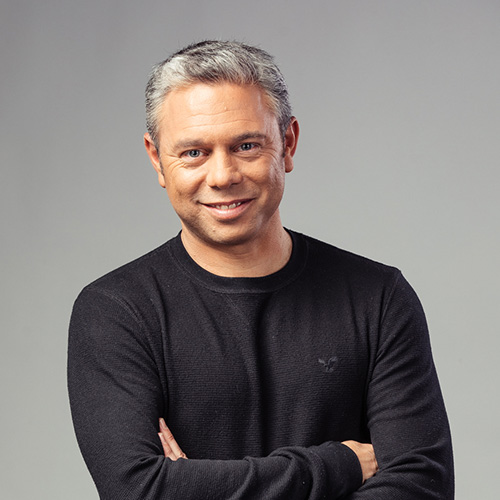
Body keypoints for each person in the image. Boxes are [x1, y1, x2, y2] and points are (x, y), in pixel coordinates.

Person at [68, 40, 454, 499]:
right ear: (157, 159)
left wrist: (197, 487)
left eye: (246, 145)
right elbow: (140, 490)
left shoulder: (378, 298)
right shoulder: (116, 312)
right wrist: (340, 464)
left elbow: (420, 487)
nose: (222, 175)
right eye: (193, 153)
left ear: (287, 143)